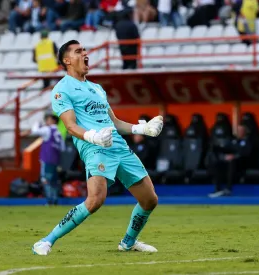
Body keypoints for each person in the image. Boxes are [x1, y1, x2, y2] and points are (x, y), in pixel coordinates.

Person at [32, 40, 164, 255]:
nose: (85, 54)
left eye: (84, 50)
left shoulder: (97, 88)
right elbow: (71, 126)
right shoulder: (61, 90)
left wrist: (143, 129)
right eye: (78, 51)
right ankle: (46, 241)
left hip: (118, 146)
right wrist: (93, 137)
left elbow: (115, 123)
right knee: (95, 200)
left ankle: (128, 242)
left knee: (150, 200)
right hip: (94, 148)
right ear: (66, 60)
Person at [25, 114, 64, 205]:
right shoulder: (58, 132)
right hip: (56, 159)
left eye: (48, 120)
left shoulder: (47, 130)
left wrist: (36, 123)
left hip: (47, 159)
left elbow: (35, 131)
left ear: (53, 121)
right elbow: (63, 148)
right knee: (54, 180)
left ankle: (49, 201)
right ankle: (55, 200)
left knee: (46, 180)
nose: (47, 122)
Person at [208, 124, 252, 198]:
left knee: (231, 162)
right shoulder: (233, 140)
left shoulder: (248, 141)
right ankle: (218, 189)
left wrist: (234, 156)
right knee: (217, 163)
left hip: (242, 163)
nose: (238, 132)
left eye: (240, 131)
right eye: (237, 130)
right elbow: (227, 149)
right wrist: (222, 153)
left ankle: (228, 189)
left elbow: (246, 153)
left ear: (244, 132)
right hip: (229, 162)